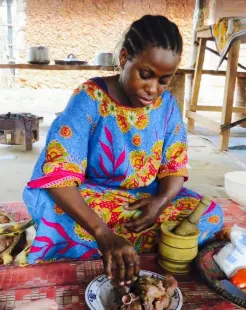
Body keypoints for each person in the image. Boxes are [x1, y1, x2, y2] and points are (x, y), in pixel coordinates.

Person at [23, 15, 224, 286]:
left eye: (164, 80)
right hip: (92, 197)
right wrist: (101, 232)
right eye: (145, 74)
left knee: (209, 213)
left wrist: (160, 203)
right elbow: (59, 178)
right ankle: (114, 243)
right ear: (124, 58)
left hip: (143, 200)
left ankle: (109, 245)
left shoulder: (166, 105)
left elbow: (174, 166)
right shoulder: (89, 98)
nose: (153, 89)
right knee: (53, 209)